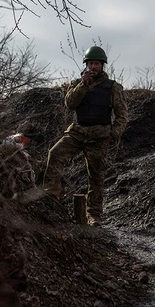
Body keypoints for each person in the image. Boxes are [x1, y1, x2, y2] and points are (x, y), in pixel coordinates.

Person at [43, 46, 128, 226]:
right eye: (90, 63)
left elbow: (122, 115)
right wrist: (83, 86)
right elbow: (70, 104)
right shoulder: (77, 84)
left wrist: (113, 134)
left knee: (96, 176)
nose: (93, 67)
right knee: (55, 153)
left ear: (102, 65)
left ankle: (94, 214)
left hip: (99, 136)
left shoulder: (113, 87)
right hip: (78, 132)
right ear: (86, 65)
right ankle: (51, 198)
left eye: (96, 63)